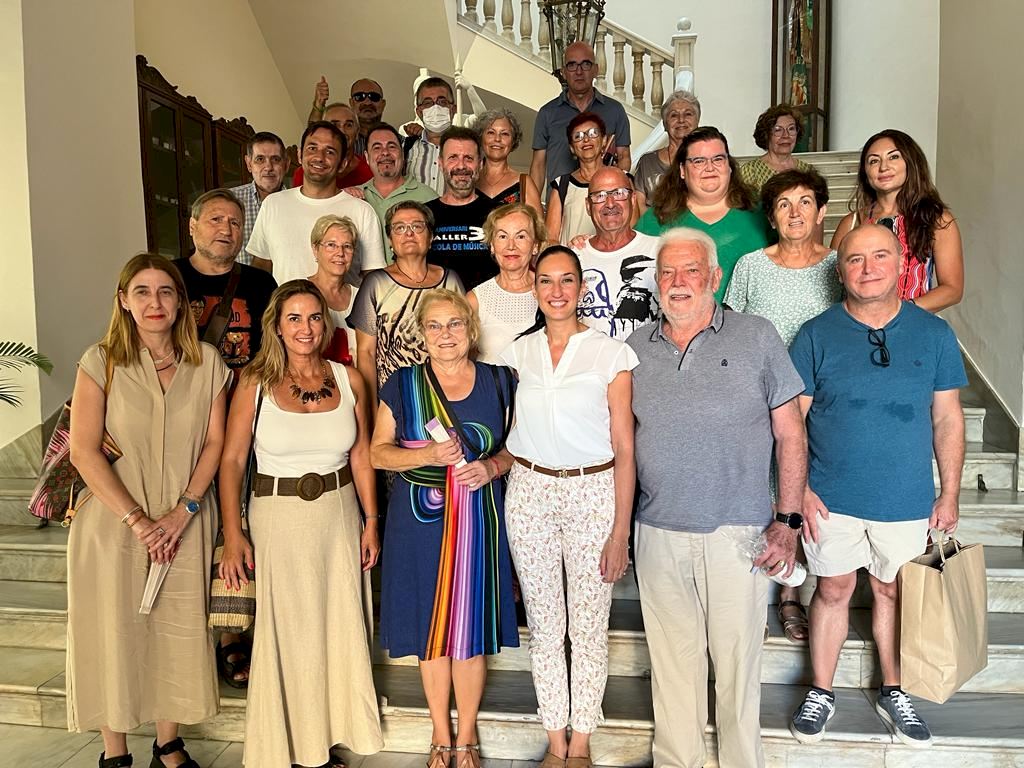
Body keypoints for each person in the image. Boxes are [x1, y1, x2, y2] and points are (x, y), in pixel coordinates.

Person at [626, 228, 808, 768]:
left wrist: (788, 520)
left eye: (690, 270)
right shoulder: (634, 347)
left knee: (736, 666)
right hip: (657, 529)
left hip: (738, 531)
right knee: (671, 667)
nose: (678, 282)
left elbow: (791, 434)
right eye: (667, 272)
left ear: (714, 276)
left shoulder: (756, 336)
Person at [788, 224, 967, 748]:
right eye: (855, 259)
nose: (868, 268)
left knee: (892, 590)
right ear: (839, 269)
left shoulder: (934, 334)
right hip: (830, 497)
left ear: (901, 263)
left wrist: (950, 492)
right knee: (832, 590)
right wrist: (798, 489)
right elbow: (792, 422)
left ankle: (895, 690)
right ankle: (821, 691)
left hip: (905, 498)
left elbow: (948, 419)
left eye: (880, 256)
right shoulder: (815, 335)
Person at [67, 253, 230, 768]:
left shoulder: (208, 363)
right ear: (123, 301)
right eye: (142, 291)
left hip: (185, 520)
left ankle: (168, 744)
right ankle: (115, 752)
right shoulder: (101, 361)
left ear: (181, 303)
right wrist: (137, 520)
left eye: (165, 291)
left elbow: (215, 444)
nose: (154, 302)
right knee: (112, 631)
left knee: (176, 628)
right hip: (113, 522)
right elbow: (83, 451)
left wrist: (184, 510)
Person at [218, 280, 383, 768]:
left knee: (337, 626)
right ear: (277, 325)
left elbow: (361, 455)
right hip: (278, 518)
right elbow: (232, 460)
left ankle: (329, 737)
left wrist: (371, 520)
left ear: (325, 323)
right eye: (294, 318)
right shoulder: (255, 381)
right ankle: (290, 748)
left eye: (313, 317)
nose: (305, 328)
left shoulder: (350, 380)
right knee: (290, 631)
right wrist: (233, 533)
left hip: (339, 513)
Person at [499, 246, 637, 768]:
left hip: (592, 492)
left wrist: (620, 532)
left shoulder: (611, 354)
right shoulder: (519, 353)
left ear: (581, 287)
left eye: (566, 280)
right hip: (530, 492)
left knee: (587, 626)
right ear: (534, 288)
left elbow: (625, 447)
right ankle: (555, 741)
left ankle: (582, 742)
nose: (556, 291)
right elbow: (513, 430)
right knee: (544, 625)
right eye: (545, 281)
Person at [370, 289, 519, 768]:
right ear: (422, 334)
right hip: (419, 520)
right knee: (430, 627)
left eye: (454, 323)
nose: (445, 334)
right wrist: (430, 454)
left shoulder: (500, 381)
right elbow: (377, 453)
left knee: (470, 627)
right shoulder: (403, 383)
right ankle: (440, 734)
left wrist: (492, 467)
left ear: (470, 330)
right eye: (434, 326)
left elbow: (521, 446)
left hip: (480, 517)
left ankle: (467, 736)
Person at [724, 168, 841, 644]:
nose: (795, 213)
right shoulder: (751, 265)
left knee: (814, 488)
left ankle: (803, 588)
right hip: (763, 397)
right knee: (772, 482)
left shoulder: (838, 266)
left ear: (821, 211)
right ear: (771, 217)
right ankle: (778, 588)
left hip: (826, 396)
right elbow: (731, 328)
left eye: (805, 202)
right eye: (784, 204)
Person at [831, 129, 964, 311]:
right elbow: (834, 286)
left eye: (893, 157)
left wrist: (901, 313)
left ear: (911, 163)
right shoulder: (851, 223)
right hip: (857, 323)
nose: (883, 167)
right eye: (874, 161)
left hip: (913, 321)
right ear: (865, 172)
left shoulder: (937, 220)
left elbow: (952, 289)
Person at [637, 126, 774, 301]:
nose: (710, 168)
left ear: (729, 166)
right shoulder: (657, 218)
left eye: (718, 159)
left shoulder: (761, 212)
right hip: (678, 316)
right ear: (682, 170)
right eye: (699, 161)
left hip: (752, 316)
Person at [351, 201, 464, 403]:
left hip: (447, 395)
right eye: (400, 227)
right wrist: (373, 409)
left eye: (417, 226)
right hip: (393, 400)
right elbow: (366, 353)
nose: (409, 233)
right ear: (390, 240)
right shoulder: (376, 283)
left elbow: (465, 341)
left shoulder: (451, 280)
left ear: (431, 237)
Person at [247, 121, 386, 285]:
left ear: (342, 164)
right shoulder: (273, 204)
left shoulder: (362, 211)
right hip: (284, 302)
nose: (319, 157)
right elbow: (260, 268)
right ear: (300, 155)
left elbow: (374, 280)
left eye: (330, 152)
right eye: (312, 148)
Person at [179, 188, 277, 374]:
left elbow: (275, 350)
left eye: (235, 223)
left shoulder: (262, 283)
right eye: (216, 219)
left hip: (246, 389)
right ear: (192, 226)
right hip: (183, 389)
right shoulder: (167, 277)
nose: (226, 230)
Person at [530, 41, 631, 193]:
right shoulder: (547, 113)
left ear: (596, 70)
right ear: (564, 72)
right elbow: (538, 165)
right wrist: (532, 205)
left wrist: (616, 192)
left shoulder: (615, 111)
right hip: (560, 202)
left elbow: (624, 157)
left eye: (585, 64)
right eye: (572, 65)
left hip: (604, 201)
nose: (579, 71)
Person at [576, 167, 659, 338]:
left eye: (619, 193)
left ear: (633, 199)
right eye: (599, 196)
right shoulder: (573, 256)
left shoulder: (660, 250)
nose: (610, 203)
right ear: (588, 206)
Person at [546, 113, 639, 247]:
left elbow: (634, 230)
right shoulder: (562, 185)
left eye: (593, 133)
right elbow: (551, 239)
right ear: (572, 148)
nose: (586, 140)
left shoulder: (623, 179)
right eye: (578, 136)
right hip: (573, 257)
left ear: (604, 140)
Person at [468, 202, 545, 363]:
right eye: (503, 236)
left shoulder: (551, 291)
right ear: (492, 246)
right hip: (491, 380)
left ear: (535, 246)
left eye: (521, 236)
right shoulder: (475, 300)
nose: (511, 246)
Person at [426, 127, 498, 290]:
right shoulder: (424, 215)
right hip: (436, 303)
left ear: (480, 164)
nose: (461, 166)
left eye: (468, 158)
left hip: (486, 304)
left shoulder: (499, 214)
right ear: (440, 163)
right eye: (453, 158)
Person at [358, 123, 438, 255]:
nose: (385, 152)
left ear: (402, 154)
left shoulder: (429, 197)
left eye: (392, 146)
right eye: (377, 147)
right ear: (367, 157)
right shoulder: (354, 196)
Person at [634, 91, 700, 213]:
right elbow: (639, 205)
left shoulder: (707, 160)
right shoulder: (647, 162)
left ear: (697, 121)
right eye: (674, 115)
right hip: (654, 224)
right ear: (664, 124)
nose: (681, 120)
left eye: (688, 114)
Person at [308, 214, 360, 365]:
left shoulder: (362, 297)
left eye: (347, 246)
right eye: (331, 245)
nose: (340, 253)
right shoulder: (298, 294)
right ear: (315, 249)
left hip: (356, 379)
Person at [228, 131, 288, 263]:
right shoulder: (230, 201)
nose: (268, 167)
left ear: (286, 165)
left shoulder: (296, 204)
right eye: (260, 159)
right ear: (249, 164)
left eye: (275, 159)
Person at [475, 108, 542, 212]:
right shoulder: (469, 180)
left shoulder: (524, 183)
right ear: (480, 138)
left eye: (505, 134)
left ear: (513, 141)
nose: (497, 139)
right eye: (491, 132)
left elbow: (537, 222)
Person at [738, 105, 813, 199]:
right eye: (778, 130)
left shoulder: (807, 170)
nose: (786, 135)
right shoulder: (750, 171)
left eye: (791, 129)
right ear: (766, 135)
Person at [294, 103, 373, 190]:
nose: (342, 131)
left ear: (357, 132)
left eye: (348, 125)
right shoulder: (306, 171)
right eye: (334, 125)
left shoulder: (371, 171)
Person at [405, 77, 460, 195]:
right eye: (428, 103)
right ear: (419, 112)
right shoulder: (406, 148)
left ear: (453, 109)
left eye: (442, 102)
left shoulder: (467, 147)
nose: (435, 108)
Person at [308, 76, 388, 157]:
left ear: (383, 104)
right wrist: (319, 105)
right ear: (351, 103)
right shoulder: (342, 137)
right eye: (359, 97)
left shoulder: (394, 139)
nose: (367, 102)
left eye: (374, 97)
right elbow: (314, 135)